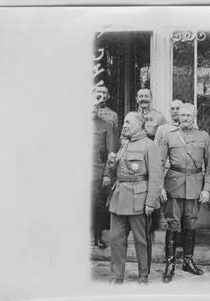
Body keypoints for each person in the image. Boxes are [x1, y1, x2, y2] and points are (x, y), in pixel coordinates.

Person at [157, 103, 210, 283]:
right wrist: (159, 186)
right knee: (173, 225)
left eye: (189, 115)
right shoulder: (168, 136)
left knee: (190, 225)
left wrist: (207, 188)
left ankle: (188, 261)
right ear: (177, 117)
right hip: (173, 185)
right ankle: (170, 264)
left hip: (195, 186)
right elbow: (158, 163)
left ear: (195, 116)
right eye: (182, 115)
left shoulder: (203, 136)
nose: (186, 118)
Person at [103, 112, 162, 285]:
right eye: (124, 122)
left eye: (128, 122)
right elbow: (117, 174)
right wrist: (112, 164)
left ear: (139, 124)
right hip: (119, 198)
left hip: (139, 200)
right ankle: (117, 276)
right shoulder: (124, 144)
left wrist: (151, 202)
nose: (124, 125)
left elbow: (156, 177)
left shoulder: (150, 145)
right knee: (116, 240)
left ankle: (143, 275)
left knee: (141, 240)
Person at [92, 95, 119, 249]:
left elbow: (111, 152)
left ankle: (97, 236)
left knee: (98, 205)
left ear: (98, 108)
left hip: (97, 172)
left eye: (94, 106)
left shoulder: (106, 125)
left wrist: (108, 173)